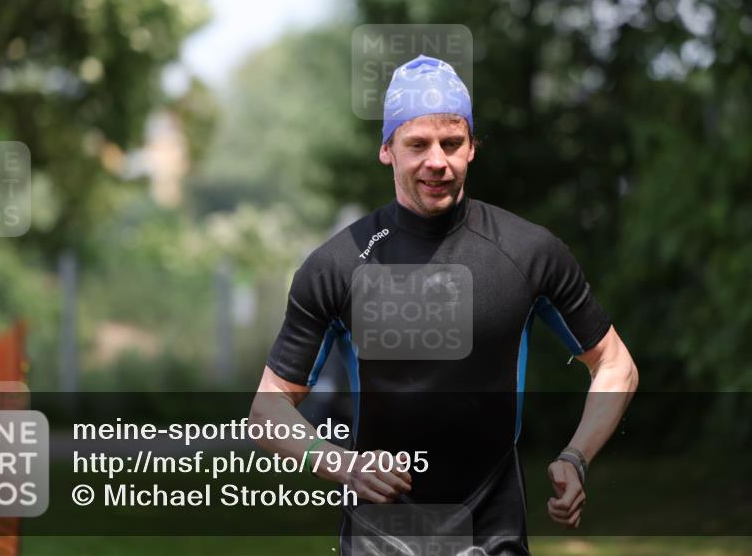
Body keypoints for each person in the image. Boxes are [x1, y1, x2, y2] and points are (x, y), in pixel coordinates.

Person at [249, 54, 638, 555]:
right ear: (387, 150)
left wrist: (576, 457)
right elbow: (267, 405)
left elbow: (615, 364)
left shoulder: (527, 252)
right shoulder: (338, 265)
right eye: (418, 145)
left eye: (452, 143)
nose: (438, 160)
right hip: (380, 535)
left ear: (472, 147)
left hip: (492, 530)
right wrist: (342, 464)